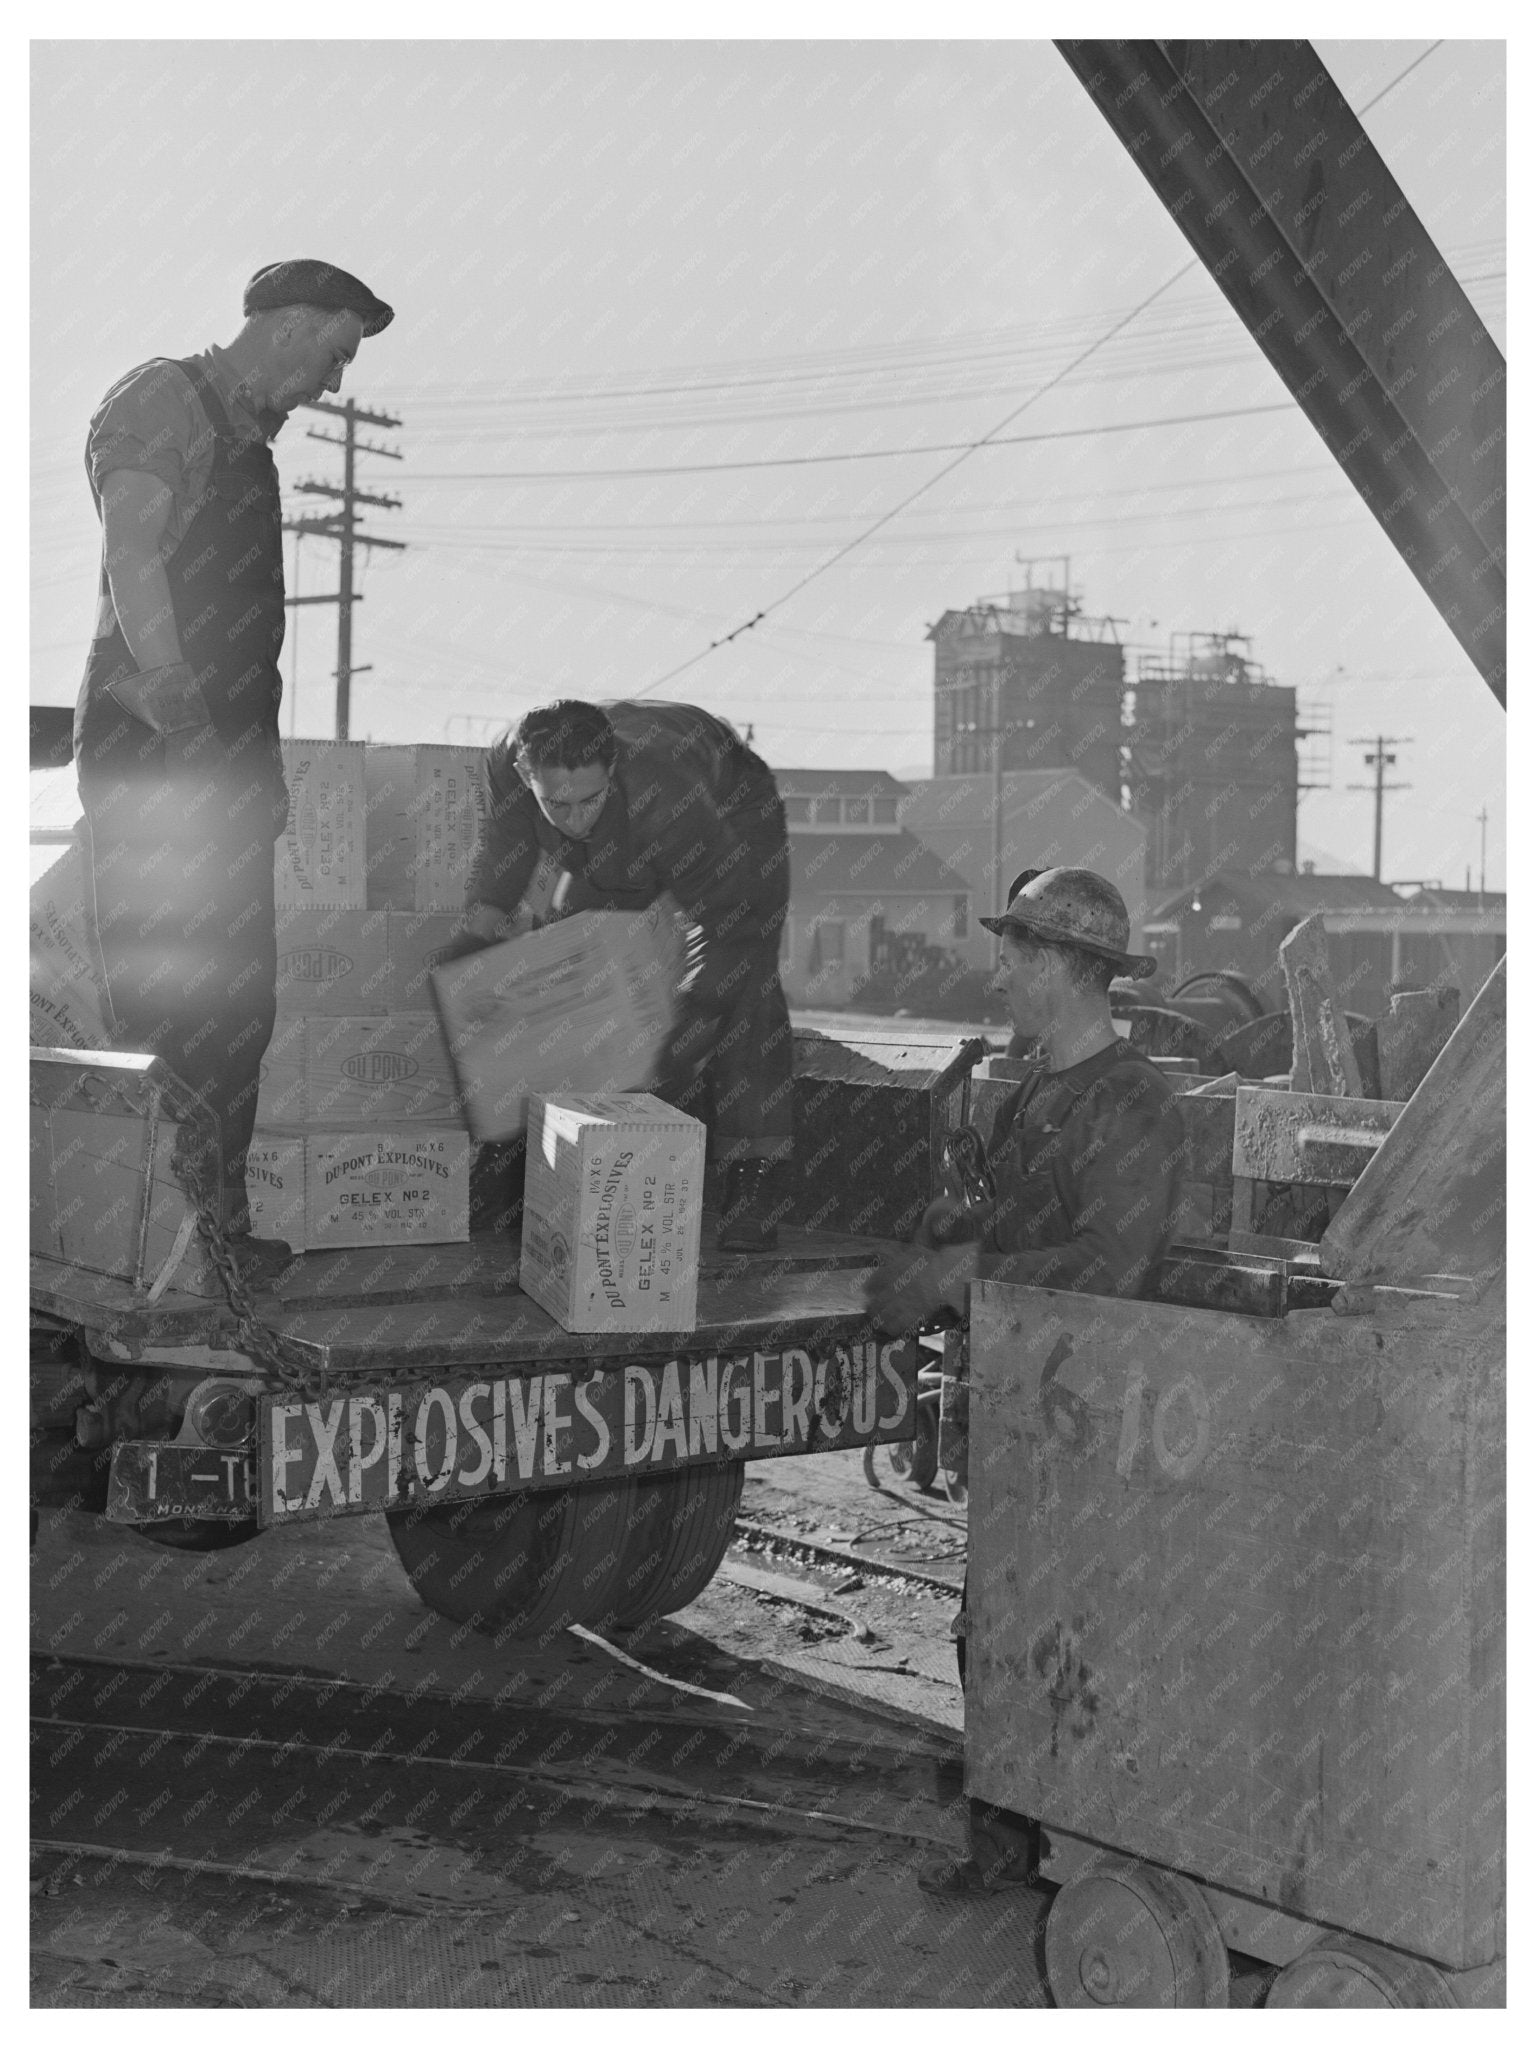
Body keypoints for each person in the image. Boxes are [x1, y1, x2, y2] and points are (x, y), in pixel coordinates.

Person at [863, 866, 1187, 1896]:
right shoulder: (1042, 1088)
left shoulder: (1131, 1103)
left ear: (1060, 964)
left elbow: (1114, 1268)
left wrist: (964, 1274)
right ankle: (1005, 1847)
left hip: (1097, 1419)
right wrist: (954, 1233)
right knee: (997, 1623)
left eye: (1011, 954)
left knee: (1073, 1636)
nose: (997, 972)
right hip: (1026, 1407)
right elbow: (1018, 1232)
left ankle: (1081, 1859)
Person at [73, 260, 394, 1283]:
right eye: (334, 353)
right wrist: (179, 715)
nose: (333, 382)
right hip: (157, 750)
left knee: (239, 1004)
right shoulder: (164, 396)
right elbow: (133, 555)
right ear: (289, 324)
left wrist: (256, 769)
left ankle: (212, 1227)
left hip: (224, 764)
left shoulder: (251, 448)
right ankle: (158, 1236)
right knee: (164, 995)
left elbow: (247, 641)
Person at [461, 699, 793, 1251]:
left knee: (744, 984)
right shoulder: (505, 764)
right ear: (524, 774)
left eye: (588, 800)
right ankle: (523, 1149)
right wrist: (473, 948)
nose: (575, 820)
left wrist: (693, 1019)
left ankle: (756, 1176)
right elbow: (506, 854)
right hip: (633, 819)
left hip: (730, 808)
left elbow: (731, 925)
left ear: (611, 768)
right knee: (566, 959)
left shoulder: (668, 795)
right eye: (556, 804)